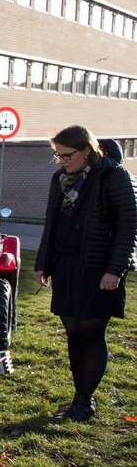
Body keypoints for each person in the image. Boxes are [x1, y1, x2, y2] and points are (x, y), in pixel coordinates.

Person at [35, 127, 136, 422]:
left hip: (98, 269)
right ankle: (78, 395)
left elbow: (128, 227)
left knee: (91, 332)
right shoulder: (61, 179)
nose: (62, 161)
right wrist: (43, 263)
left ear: (87, 151)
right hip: (67, 266)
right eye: (58, 155)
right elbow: (51, 223)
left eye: (67, 155)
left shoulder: (113, 177)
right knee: (73, 332)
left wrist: (114, 270)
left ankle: (84, 400)